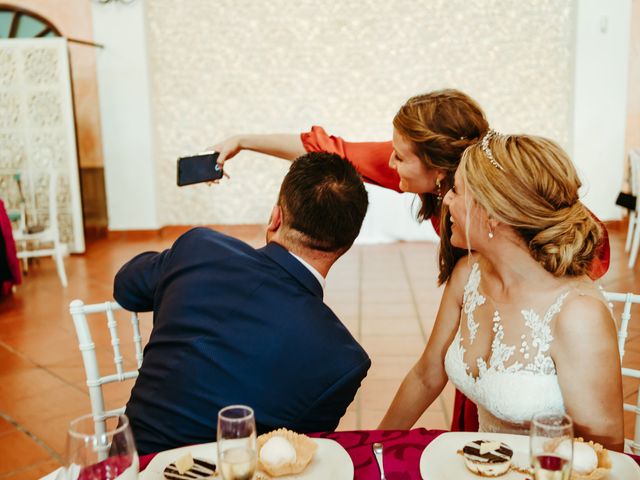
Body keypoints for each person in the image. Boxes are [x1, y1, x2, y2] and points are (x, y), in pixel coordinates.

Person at [210, 89, 611, 431]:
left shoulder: (505, 217)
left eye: (400, 157)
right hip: (485, 302)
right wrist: (243, 141)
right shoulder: (460, 242)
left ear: (438, 171)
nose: (389, 163)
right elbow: (333, 150)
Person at [378, 130, 624, 451]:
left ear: (492, 213)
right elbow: (427, 375)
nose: (447, 199)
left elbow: (605, 450)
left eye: (457, 191)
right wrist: (372, 445)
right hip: (479, 466)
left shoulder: (578, 314)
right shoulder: (468, 274)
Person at [113, 152, 371, 455]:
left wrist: (174, 271)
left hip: (131, 466)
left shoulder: (199, 249)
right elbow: (294, 453)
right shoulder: (344, 361)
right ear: (346, 245)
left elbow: (126, 288)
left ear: (276, 217)